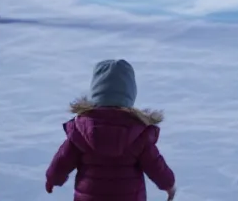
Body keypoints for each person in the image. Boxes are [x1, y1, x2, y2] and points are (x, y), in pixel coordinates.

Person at [45, 59, 177, 200]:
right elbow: (156, 166)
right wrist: (169, 185)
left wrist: (52, 180)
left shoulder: (81, 130)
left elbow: (61, 162)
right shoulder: (138, 132)